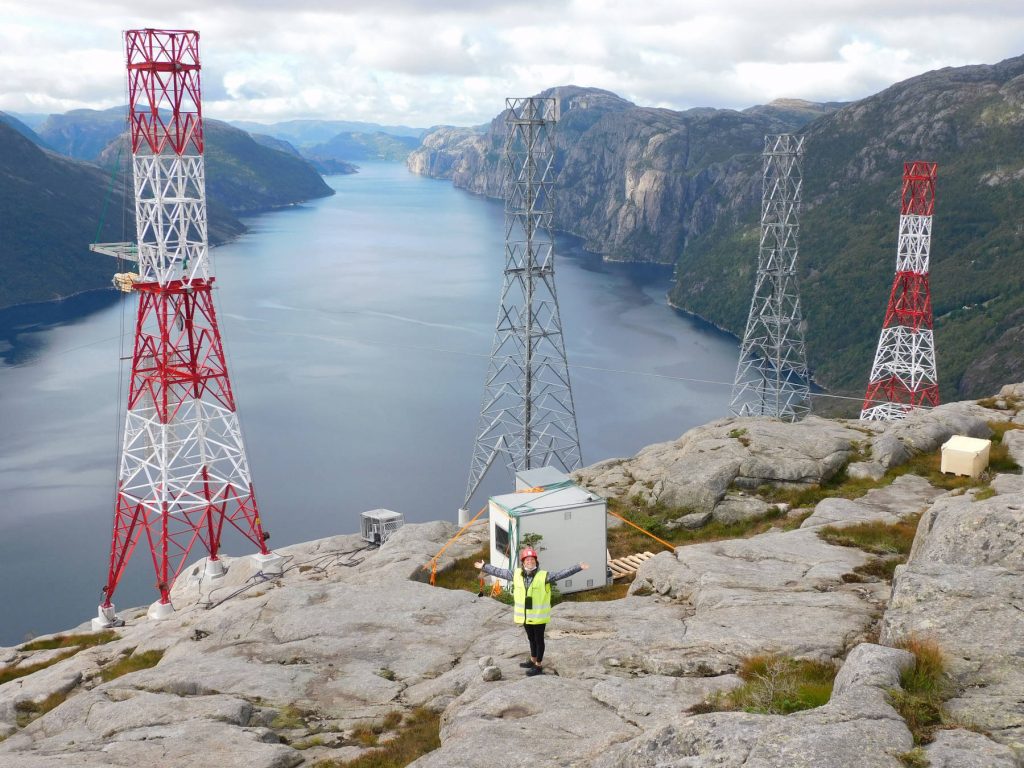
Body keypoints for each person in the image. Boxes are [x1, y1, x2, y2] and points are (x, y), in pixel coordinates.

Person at [474, 547, 589, 676]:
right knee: (531, 638)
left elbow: (561, 574)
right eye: (527, 559)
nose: (530, 561)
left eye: (532, 559)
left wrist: (578, 567)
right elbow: (500, 572)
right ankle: (533, 659)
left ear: (536, 561)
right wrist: (485, 566)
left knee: (539, 640)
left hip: (539, 616)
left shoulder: (544, 576)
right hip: (525, 615)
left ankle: (538, 665)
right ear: (523, 562)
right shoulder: (516, 574)